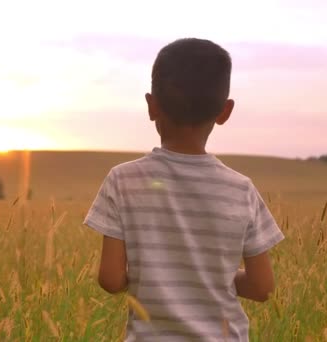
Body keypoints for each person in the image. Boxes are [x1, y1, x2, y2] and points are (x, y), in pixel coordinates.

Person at [83, 38, 285, 341]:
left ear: (152, 106)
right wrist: (211, 279)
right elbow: (262, 287)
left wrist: (158, 277)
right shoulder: (242, 189)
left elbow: (111, 279)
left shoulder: (122, 180)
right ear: (225, 112)